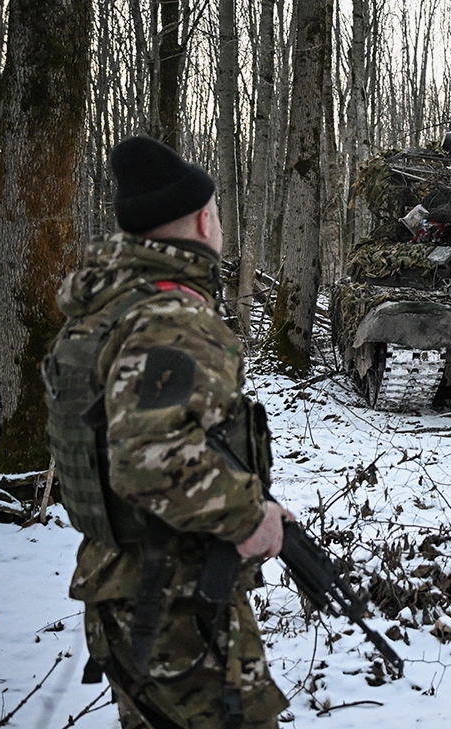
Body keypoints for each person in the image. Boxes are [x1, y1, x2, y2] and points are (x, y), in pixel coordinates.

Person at [43, 136, 291, 728]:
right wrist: (250, 517)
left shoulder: (109, 305)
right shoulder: (170, 316)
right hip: (175, 595)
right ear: (205, 220)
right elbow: (149, 458)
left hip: (126, 584)